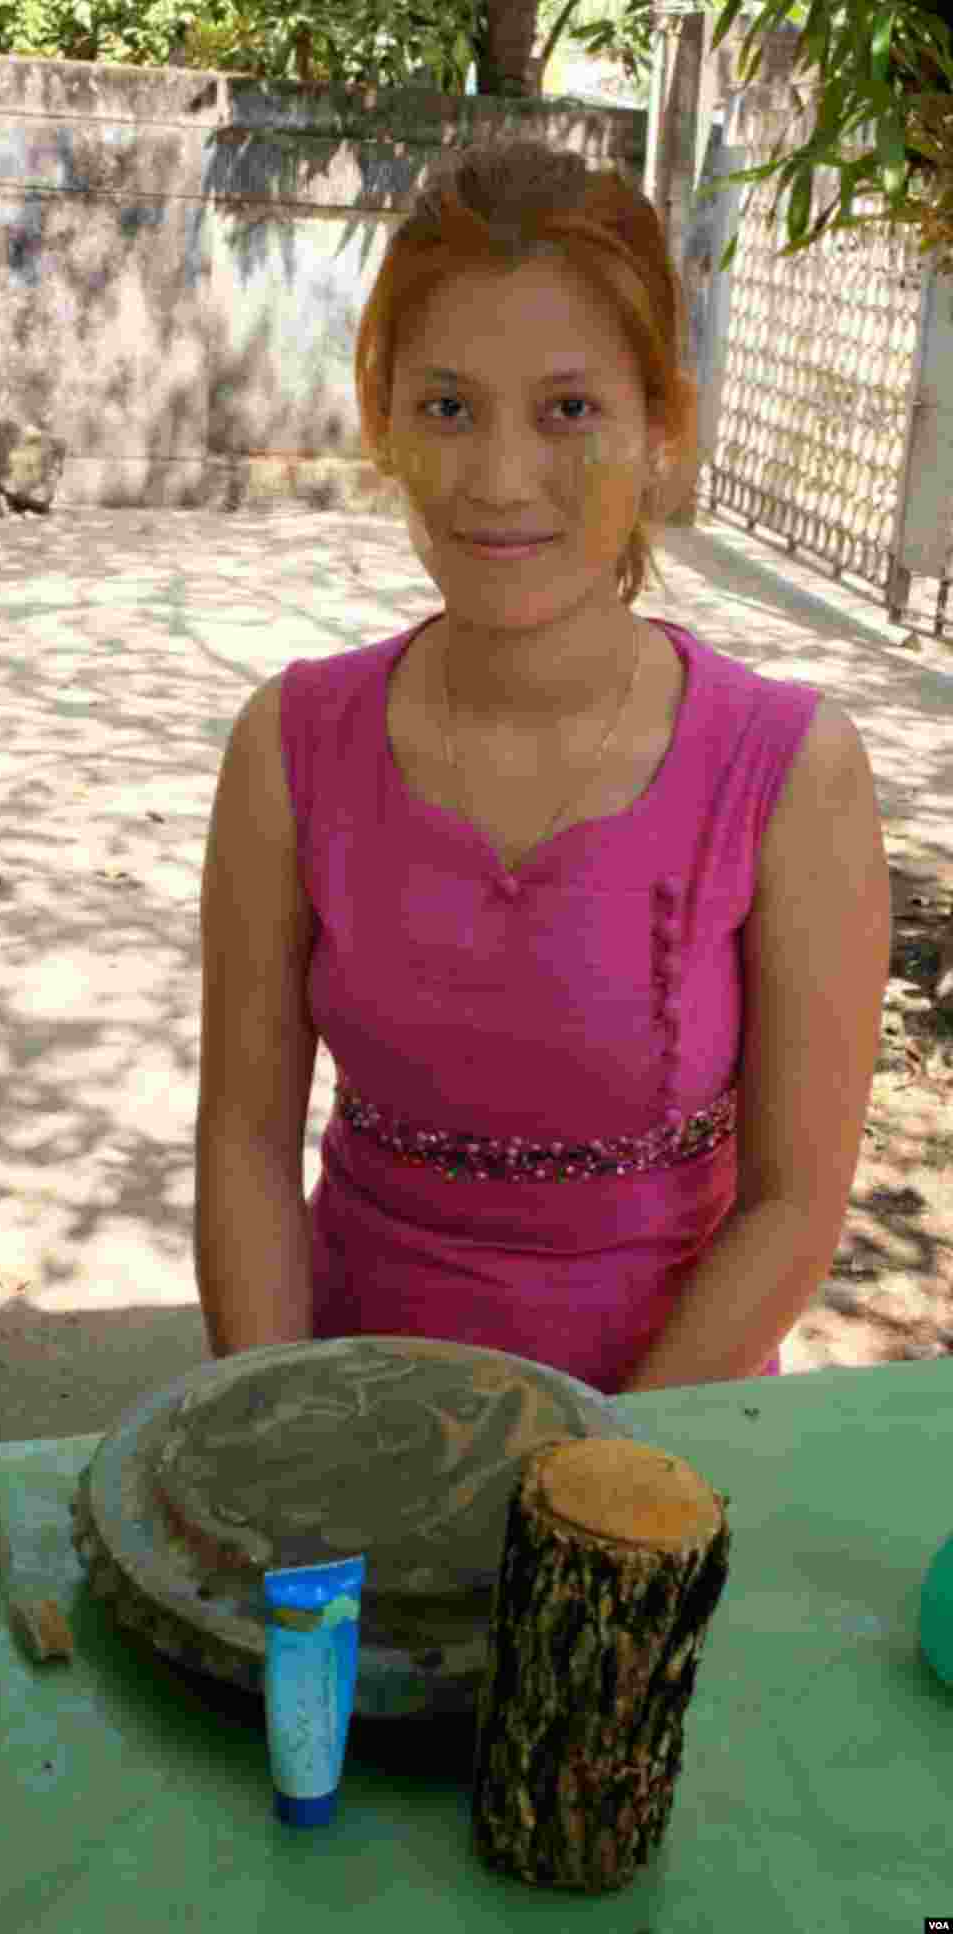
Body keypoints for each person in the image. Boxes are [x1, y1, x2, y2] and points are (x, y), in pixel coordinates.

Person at [194, 137, 891, 1394]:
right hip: (356, 1424)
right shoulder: (288, 748)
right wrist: (277, 1430)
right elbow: (244, 1143)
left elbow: (793, 1202)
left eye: (568, 408)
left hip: (671, 1452)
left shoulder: (789, 775)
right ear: (386, 422)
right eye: (448, 405)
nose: (500, 480)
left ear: (662, 426)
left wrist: (595, 1482)